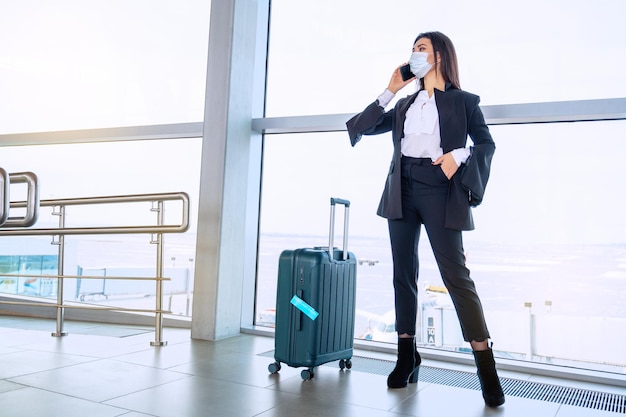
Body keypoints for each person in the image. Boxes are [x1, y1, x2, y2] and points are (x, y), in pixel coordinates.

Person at [346, 31, 505, 407]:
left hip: (439, 186)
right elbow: (361, 126)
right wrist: (390, 89)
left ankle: (486, 367)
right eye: (412, 49)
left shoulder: (463, 102)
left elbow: (486, 144)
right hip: (401, 186)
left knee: (456, 276)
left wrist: (459, 156)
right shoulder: (404, 105)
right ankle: (407, 356)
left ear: (440, 56)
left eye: (421, 49)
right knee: (403, 273)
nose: (414, 54)